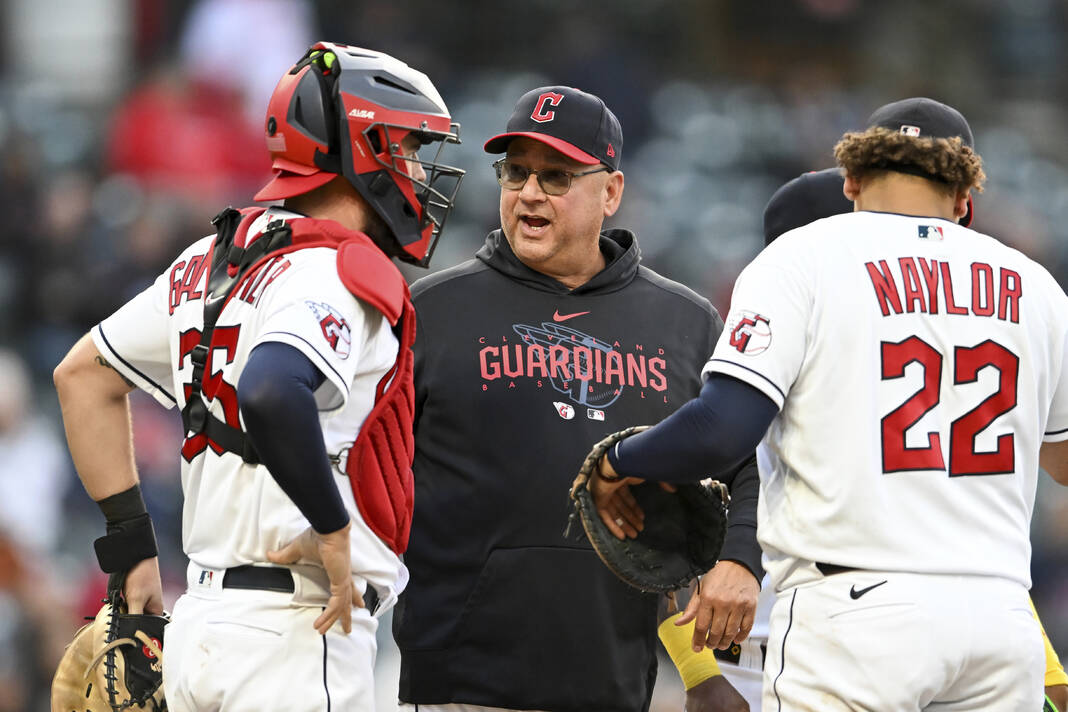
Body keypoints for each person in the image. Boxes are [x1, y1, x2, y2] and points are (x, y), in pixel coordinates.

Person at [591, 97, 1068, 711]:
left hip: (856, 611)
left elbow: (720, 430)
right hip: (1000, 615)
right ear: (965, 200)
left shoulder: (808, 254)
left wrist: (620, 461)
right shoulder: (1034, 285)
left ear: (851, 181)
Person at [53, 42, 464, 712]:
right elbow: (272, 389)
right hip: (297, 636)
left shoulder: (207, 258)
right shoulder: (338, 269)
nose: (418, 172)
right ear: (364, 147)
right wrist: (331, 528)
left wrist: (130, 550)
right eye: (408, 148)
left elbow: (81, 377)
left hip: (200, 630)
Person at [392, 85, 762, 712]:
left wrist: (740, 560)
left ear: (610, 191)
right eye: (516, 172)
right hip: (459, 684)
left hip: (615, 682)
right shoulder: (432, 311)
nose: (529, 193)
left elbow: (741, 465)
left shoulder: (683, 323)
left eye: (557, 176)